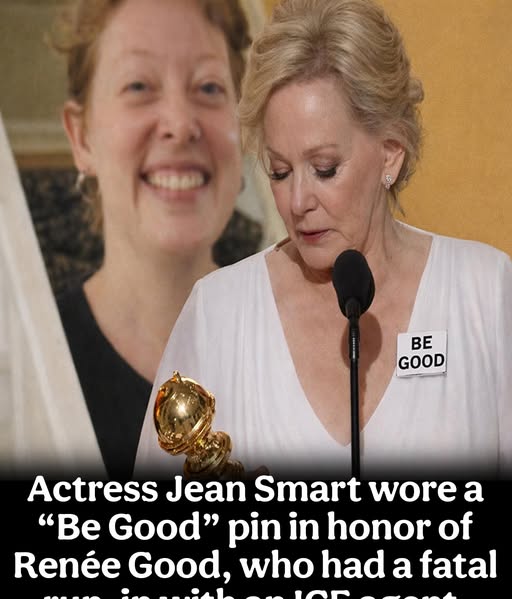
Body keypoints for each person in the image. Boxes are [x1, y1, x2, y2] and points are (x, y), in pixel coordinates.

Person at [135, 0, 512, 480]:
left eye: (325, 169)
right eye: (279, 171)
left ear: (390, 154)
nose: (297, 202)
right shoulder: (218, 312)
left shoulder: (484, 292)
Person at [50, 0, 255, 479]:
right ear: (81, 137)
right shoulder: (32, 369)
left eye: (209, 87)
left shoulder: (316, 339)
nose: (180, 125)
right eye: (139, 86)